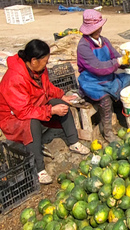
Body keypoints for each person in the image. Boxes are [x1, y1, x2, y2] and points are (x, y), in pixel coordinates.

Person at [0, 40, 89, 184]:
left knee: (61, 104)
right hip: (14, 118)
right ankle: (39, 169)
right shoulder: (15, 78)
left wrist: (61, 95)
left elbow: (47, 88)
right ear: (34, 61)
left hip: (35, 106)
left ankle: (73, 142)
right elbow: (23, 111)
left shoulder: (39, 70)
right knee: (32, 123)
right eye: (45, 61)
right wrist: (51, 110)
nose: (46, 65)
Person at [77, 9, 130, 143]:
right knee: (105, 100)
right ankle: (108, 132)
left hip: (108, 78)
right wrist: (118, 62)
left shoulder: (104, 41)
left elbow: (115, 57)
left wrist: (126, 61)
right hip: (92, 82)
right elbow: (97, 67)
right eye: (95, 28)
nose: (98, 30)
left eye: (99, 27)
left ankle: (127, 115)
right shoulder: (83, 46)